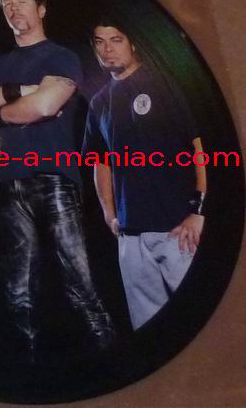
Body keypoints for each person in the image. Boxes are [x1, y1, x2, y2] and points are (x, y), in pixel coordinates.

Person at [0, 0, 114, 361]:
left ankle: (114, 363)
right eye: (7, 4)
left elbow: (46, 106)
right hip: (9, 183)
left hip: (55, 179)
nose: (14, 8)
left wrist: (0, 110)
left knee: (80, 286)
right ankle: (29, 371)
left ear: (41, 8)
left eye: (22, 1)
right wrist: (24, 92)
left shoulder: (62, 57)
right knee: (19, 292)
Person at [82, 18, 207, 330]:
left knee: (199, 323)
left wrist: (199, 211)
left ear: (133, 43)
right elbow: (100, 162)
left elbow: (199, 146)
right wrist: (109, 213)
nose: (108, 49)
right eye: (100, 42)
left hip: (177, 231)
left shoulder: (166, 83)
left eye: (116, 40)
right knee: (149, 329)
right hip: (131, 237)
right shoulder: (99, 102)